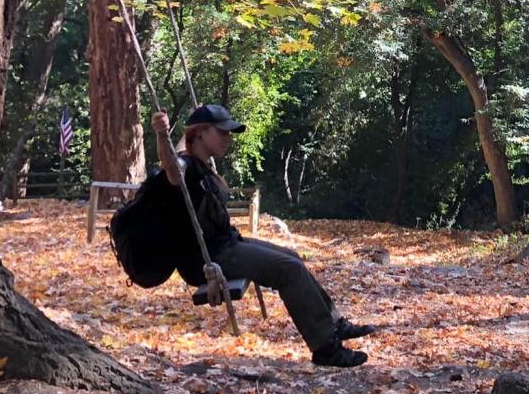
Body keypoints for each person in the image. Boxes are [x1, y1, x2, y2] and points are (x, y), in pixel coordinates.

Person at [153, 105, 373, 368]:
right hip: (209, 257)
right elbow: (171, 166)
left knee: (292, 258)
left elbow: (182, 145)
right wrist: (160, 134)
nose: (228, 138)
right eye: (222, 132)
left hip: (228, 243)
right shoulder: (185, 166)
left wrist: (190, 118)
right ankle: (325, 348)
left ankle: (335, 324)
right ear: (201, 134)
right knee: (288, 269)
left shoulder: (200, 163)